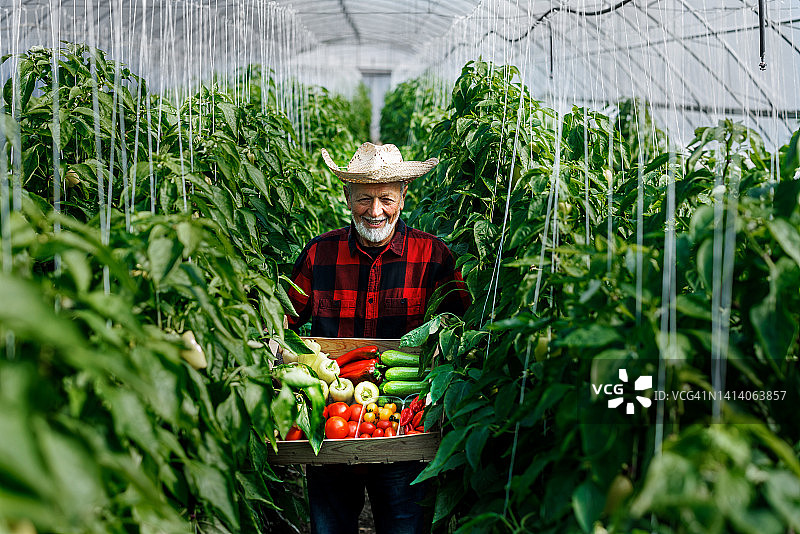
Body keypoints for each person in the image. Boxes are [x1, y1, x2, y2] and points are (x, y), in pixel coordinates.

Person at [285, 142, 471, 534]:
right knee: (329, 526)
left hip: (405, 423)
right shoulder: (320, 254)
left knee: (404, 525)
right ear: (347, 196)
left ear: (403, 196)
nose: (375, 211)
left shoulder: (433, 257)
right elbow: (282, 320)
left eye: (386, 198)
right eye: (364, 199)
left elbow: (461, 330)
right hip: (332, 424)